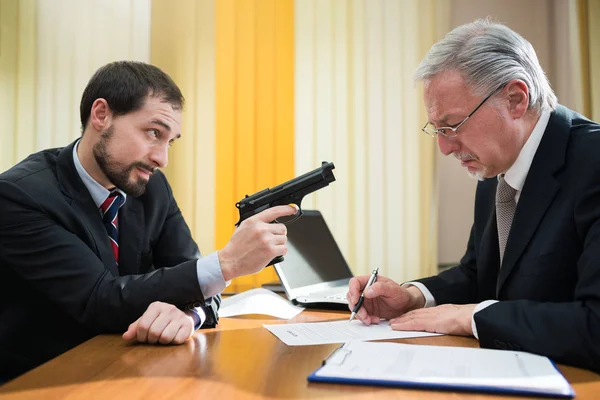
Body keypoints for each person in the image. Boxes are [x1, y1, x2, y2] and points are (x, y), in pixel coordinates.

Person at [0, 61, 297, 380]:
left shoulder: (151, 187)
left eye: (170, 141)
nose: (162, 158)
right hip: (41, 379)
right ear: (101, 115)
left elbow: (197, 283)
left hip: (128, 368)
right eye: (153, 133)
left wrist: (189, 315)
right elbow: (100, 299)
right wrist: (227, 264)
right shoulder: (18, 196)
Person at [347, 19, 600, 373]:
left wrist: (470, 317)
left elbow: (594, 324)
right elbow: (478, 273)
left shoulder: (593, 162)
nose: (445, 148)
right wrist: (412, 297)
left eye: (452, 126)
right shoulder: (494, 168)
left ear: (515, 99)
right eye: (437, 130)